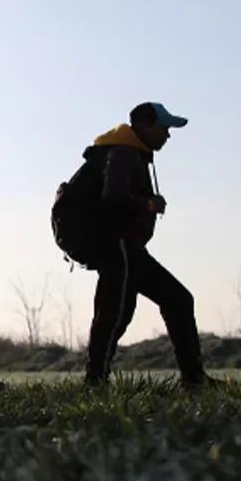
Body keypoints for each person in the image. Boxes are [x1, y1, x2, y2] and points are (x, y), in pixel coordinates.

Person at [81, 103, 212, 388]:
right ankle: (96, 382)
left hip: (126, 248)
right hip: (118, 247)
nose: (167, 135)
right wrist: (148, 203)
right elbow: (112, 196)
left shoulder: (127, 153)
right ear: (143, 125)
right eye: (163, 128)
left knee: (125, 310)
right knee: (118, 311)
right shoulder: (124, 153)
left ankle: (193, 379)